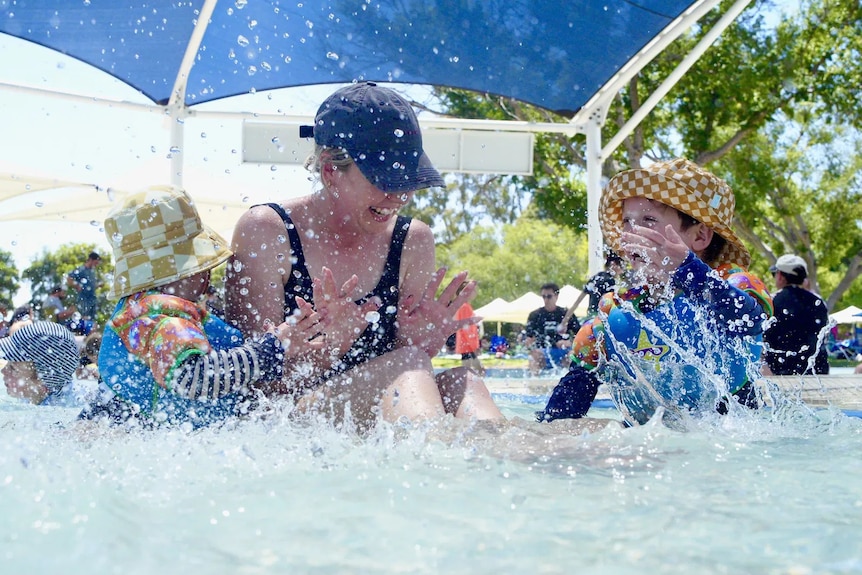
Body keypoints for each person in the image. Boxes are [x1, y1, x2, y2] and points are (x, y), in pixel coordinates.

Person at [225, 82, 502, 432]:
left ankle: (508, 467)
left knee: (464, 381)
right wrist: (333, 346)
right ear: (329, 170)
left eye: (408, 180)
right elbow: (251, 387)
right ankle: (438, 473)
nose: (399, 196)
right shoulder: (267, 232)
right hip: (285, 421)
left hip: (370, 415)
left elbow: (403, 368)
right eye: (385, 179)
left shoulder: (412, 240)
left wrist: (419, 342)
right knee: (410, 364)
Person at [536, 159, 773, 428]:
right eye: (626, 222)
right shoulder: (616, 313)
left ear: (700, 237)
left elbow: (749, 320)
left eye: (648, 220)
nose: (631, 233)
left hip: (730, 438)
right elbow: (563, 411)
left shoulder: (733, 282)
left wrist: (687, 269)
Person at [78, 185, 320, 429]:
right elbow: (192, 378)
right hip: (132, 434)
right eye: (201, 264)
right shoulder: (165, 319)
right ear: (181, 271)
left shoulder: (143, 311)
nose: (207, 272)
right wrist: (271, 348)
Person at [762, 254, 829, 375]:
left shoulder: (771, 302)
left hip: (780, 370)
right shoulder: (819, 303)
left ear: (780, 276)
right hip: (817, 370)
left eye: (775, 274)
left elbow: (761, 338)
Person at [0, 320, 79, 405]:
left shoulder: (54, 412)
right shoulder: (38, 395)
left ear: (42, 384)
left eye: (13, 368)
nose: (3, 370)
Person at [559, 251, 624, 331]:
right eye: (621, 266)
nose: (622, 271)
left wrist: (564, 321)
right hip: (602, 321)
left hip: (590, 320)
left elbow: (578, 301)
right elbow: (611, 304)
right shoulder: (610, 281)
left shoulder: (595, 278)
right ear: (613, 264)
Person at [524, 283, 579, 375]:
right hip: (543, 352)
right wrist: (530, 346)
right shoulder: (535, 315)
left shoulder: (566, 314)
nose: (546, 300)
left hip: (563, 351)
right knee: (534, 357)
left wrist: (569, 342)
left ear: (556, 296)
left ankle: (572, 382)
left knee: (572, 356)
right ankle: (534, 384)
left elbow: (580, 335)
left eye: (549, 296)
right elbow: (529, 339)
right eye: (543, 297)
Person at [66, 251, 101, 332]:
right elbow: (69, 278)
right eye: (95, 263)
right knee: (84, 319)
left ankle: (91, 340)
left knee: (93, 321)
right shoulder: (81, 269)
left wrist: (97, 286)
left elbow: (90, 286)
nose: (96, 265)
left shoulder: (92, 271)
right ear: (91, 260)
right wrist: (77, 286)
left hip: (92, 299)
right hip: (84, 299)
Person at [454, 302, 484, 374]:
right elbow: (467, 329)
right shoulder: (465, 307)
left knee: (468, 369)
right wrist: (474, 346)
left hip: (465, 344)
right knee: (476, 369)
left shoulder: (462, 306)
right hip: (467, 344)